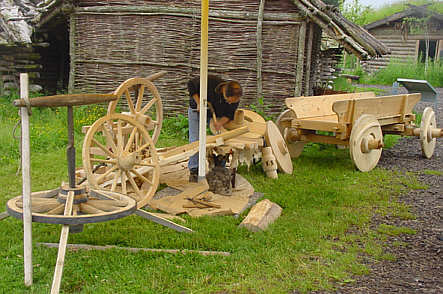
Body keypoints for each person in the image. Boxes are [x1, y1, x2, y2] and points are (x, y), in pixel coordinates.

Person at [187, 74, 243, 182]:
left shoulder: (235, 98)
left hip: (215, 115)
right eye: (229, 101)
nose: (231, 103)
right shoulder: (210, 81)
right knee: (195, 140)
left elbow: (229, 113)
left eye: (233, 102)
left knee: (220, 140)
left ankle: (219, 168)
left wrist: (220, 123)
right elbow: (191, 84)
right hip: (197, 111)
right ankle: (194, 170)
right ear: (224, 92)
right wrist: (199, 103)